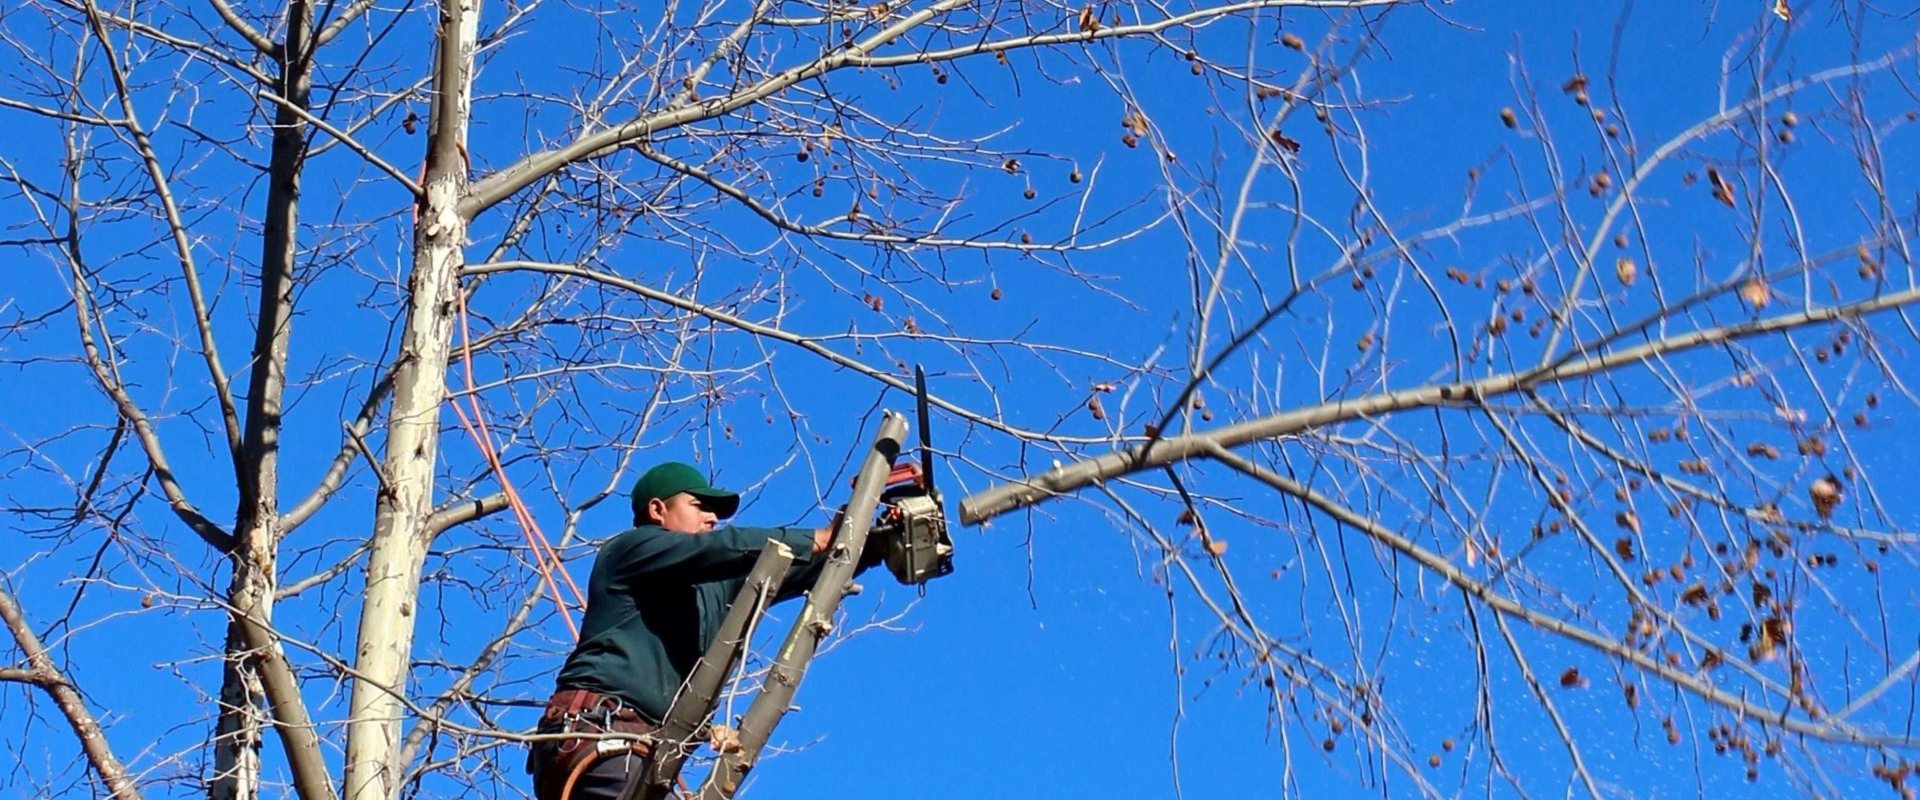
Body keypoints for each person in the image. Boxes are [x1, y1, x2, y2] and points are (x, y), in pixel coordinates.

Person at [528, 461, 880, 800]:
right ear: (657, 510)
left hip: (639, 753)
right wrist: (816, 538)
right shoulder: (630, 550)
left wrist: (872, 541)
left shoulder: (713, 586)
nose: (712, 518)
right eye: (700, 506)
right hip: (598, 734)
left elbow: (799, 568)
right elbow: (718, 549)